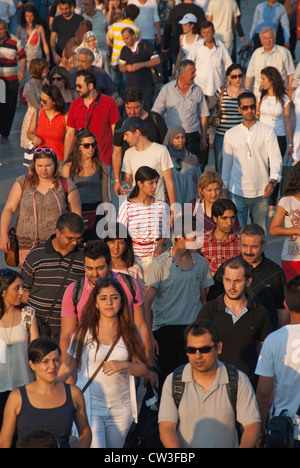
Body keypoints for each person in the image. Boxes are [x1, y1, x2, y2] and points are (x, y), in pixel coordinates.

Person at [58, 278, 148, 448]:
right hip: (92, 406)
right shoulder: (84, 330)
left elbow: (143, 368)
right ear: (96, 303)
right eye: (103, 298)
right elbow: (69, 363)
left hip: (122, 408)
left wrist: (125, 365)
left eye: (114, 297)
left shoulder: (131, 331)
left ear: (122, 302)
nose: (109, 302)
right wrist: (50, 387)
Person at [158, 320, 261, 448]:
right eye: (191, 350)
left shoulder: (238, 379)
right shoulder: (173, 381)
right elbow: (166, 428)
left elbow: (252, 425)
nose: (197, 355)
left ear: (219, 347)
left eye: (204, 349)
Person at [144, 215, 214, 392]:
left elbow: (204, 301)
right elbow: (146, 303)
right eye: (193, 237)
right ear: (179, 237)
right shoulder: (160, 264)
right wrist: (150, 337)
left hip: (192, 330)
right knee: (167, 384)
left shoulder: (202, 264)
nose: (198, 241)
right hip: (165, 330)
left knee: (191, 384)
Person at [60, 240, 151, 366]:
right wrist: (69, 380)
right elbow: (67, 336)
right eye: (89, 268)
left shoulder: (129, 284)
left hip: (127, 365)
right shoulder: (73, 291)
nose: (94, 274)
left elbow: (141, 326)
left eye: (100, 268)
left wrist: (146, 366)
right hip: (87, 367)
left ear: (110, 264)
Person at [0, 336, 92, 448]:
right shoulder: (17, 397)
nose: (52, 366)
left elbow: (85, 432)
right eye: (45, 362)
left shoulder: (73, 393)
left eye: (56, 360)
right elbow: (4, 442)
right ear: (32, 364)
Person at [197, 257, 272, 389]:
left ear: (248, 282)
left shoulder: (260, 312)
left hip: (249, 386)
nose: (231, 286)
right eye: (227, 280)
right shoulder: (208, 310)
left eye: (237, 281)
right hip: (214, 386)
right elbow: (198, 347)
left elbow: (264, 351)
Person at [0, 148, 81, 266]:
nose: (44, 169)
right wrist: (3, 234)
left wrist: (73, 240)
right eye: (40, 165)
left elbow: (76, 216)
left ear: (55, 164)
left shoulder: (66, 185)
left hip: (58, 246)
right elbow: (9, 209)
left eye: (48, 165)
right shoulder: (23, 182)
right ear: (34, 165)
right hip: (27, 247)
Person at [222, 91, 282, 233]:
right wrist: (224, 189)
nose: (250, 110)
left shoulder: (268, 131)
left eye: (252, 107)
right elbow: (227, 164)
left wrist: (272, 181)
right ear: (239, 109)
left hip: (262, 191)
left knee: (259, 235)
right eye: (245, 107)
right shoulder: (231, 134)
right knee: (238, 235)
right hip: (236, 192)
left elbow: (275, 159)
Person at [208, 224, 287, 330]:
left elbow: (282, 309)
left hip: (266, 336)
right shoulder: (227, 268)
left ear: (263, 245)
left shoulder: (275, 272)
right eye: (245, 246)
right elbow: (213, 303)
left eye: (254, 247)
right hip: (232, 336)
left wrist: (277, 336)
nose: (248, 251)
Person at [20, 213, 86, 342]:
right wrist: (25, 326)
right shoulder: (36, 254)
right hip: (35, 329)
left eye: (79, 238)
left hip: (67, 332)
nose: (74, 243)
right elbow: (24, 292)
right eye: (70, 238)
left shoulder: (84, 256)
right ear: (57, 232)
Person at [255, 275, 300, 448]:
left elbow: (264, 393)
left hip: (284, 430)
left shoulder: (274, 339)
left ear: (286, 304)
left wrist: (260, 431)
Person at [152, 60, 210, 172]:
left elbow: (203, 115)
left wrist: (203, 137)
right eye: (192, 72)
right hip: (172, 138)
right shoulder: (166, 90)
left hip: (191, 138)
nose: (195, 75)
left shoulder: (197, 90)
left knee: (192, 169)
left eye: (195, 72)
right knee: (172, 169)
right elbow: (156, 113)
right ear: (182, 74)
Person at [0, 269, 39, 431]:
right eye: (17, 288)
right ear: (3, 292)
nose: (22, 292)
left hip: (25, 385)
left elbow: (37, 351)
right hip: (1, 388)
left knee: (24, 434)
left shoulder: (28, 314)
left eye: (22, 288)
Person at [64, 69, 120, 179]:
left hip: (103, 160)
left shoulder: (108, 102)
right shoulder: (75, 104)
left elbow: (116, 134)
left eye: (80, 86)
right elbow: (70, 134)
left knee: (105, 195)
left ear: (90, 86)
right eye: (76, 86)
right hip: (80, 161)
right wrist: (66, 161)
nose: (76, 89)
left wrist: (117, 172)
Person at [113, 88, 168, 195]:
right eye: (128, 108)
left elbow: (166, 148)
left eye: (136, 107)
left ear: (142, 104)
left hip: (156, 182)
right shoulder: (121, 124)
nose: (132, 112)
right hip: (130, 178)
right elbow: (116, 153)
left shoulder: (156, 120)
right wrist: (116, 180)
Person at [118, 166, 168, 281]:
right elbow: (121, 236)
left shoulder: (162, 206)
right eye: (151, 183)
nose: (155, 187)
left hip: (156, 260)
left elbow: (165, 234)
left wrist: (160, 246)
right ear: (140, 184)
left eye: (156, 182)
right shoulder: (127, 207)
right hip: (133, 261)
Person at [116, 116, 176, 210]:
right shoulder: (128, 153)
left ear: (137, 132)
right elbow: (127, 180)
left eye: (126, 134)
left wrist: (173, 209)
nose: (124, 138)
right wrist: (124, 187)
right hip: (136, 208)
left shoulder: (161, 151)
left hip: (157, 207)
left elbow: (169, 183)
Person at [62, 128, 110, 241]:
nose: (91, 148)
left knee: (96, 248)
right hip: (76, 211)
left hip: (97, 211)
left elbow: (105, 196)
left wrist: (108, 219)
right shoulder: (68, 167)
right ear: (78, 146)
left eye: (93, 145)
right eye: (86, 145)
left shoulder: (101, 166)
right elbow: (64, 196)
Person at [257, 66, 293, 215]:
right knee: (263, 166)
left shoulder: (284, 98)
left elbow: (287, 121)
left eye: (264, 79)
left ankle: (272, 203)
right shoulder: (261, 95)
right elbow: (257, 116)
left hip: (279, 136)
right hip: (263, 135)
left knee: (275, 168)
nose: (261, 82)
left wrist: (290, 143)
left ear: (272, 80)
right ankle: (262, 199)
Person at [212, 63, 248, 174]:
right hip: (222, 136)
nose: (237, 79)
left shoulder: (248, 94)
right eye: (234, 76)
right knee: (221, 169)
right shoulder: (220, 92)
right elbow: (209, 108)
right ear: (228, 77)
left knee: (241, 169)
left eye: (240, 76)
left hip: (241, 137)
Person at [187, 21, 233, 102]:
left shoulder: (221, 47)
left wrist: (229, 80)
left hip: (217, 87)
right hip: (200, 87)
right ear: (201, 33)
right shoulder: (196, 47)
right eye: (204, 33)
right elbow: (189, 65)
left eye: (209, 32)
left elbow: (229, 65)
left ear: (214, 32)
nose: (207, 35)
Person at [270, 162, 300, 281]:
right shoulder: (287, 201)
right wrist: (295, 230)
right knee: (293, 294)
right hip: (292, 257)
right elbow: (274, 229)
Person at [245, 27, 294, 98]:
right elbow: (249, 75)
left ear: (274, 39)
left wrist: (290, 93)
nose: (267, 41)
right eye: (264, 38)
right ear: (261, 41)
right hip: (259, 96)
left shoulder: (284, 52)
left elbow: (292, 74)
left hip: (279, 96)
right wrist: (247, 94)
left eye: (270, 38)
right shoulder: (256, 53)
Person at [119, 27, 160, 112]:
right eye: (123, 39)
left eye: (127, 38)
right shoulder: (124, 49)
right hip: (130, 88)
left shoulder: (146, 45)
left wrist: (141, 65)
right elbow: (121, 67)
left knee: (147, 111)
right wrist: (127, 67)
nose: (125, 41)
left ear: (133, 36)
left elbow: (157, 60)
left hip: (146, 87)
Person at [199, 199, 241, 277]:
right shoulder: (202, 241)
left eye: (232, 218)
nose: (229, 223)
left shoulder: (241, 241)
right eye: (224, 218)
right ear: (215, 219)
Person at [27, 84, 67, 162]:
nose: (41, 103)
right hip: (40, 159)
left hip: (59, 160)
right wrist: (33, 137)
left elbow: (71, 138)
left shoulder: (65, 116)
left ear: (54, 101)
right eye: (40, 99)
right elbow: (29, 132)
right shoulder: (38, 113)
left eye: (44, 101)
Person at [0, 19, 26, 140]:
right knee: (1, 104)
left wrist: (22, 71)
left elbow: (22, 56)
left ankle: (6, 131)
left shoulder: (14, 40)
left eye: (2, 28)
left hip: (12, 80)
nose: (1, 31)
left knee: (10, 105)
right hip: (0, 81)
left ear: (6, 29)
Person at [163, 125, 201, 206]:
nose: (181, 140)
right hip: (171, 205)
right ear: (170, 139)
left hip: (189, 204)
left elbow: (200, 183)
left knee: (188, 219)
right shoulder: (164, 159)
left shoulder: (192, 159)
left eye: (183, 137)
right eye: (177, 138)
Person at [106, 4, 140, 95]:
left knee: (116, 85)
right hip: (127, 62)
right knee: (125, 86)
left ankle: (116, 105)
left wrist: (115, 45)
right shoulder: (136, 29)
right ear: (136, 16)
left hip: (115, 59)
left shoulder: (115, 25)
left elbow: (108, 41)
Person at [103, 222, 145, 290]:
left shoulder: (135, 269)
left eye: (120, 242)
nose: (116, 247)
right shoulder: (100, 268)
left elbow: (141, 297)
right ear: (106, 243)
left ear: (126, 244)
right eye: (112, 242)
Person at [161, 0, 206, 64]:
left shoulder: (175, 9)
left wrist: (164, 46)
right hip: (192, 48)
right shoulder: (198, 10)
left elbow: (168, 28)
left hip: (176, 46)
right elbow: (203, 28)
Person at [20, 58, 49, 149]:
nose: (47, 72)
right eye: (45, 71)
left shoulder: (44, 83)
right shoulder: (29, 86)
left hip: (44, 114)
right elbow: (36, 105)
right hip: (34, 117)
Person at [16, 3, 50, 68]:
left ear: (34, 16)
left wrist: (48, 58)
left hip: (37, 61)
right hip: (24, 62)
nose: (29, 18)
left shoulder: (39, 28)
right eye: (27, 16)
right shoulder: (20, 29)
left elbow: (44, 44)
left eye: (31, 16)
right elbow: (17, 46)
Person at [50, 0, 84, 65]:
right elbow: (52, 39)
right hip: (60, 56)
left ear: (71, 7)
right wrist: (54, 54)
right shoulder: (57, 20)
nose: (64, 11)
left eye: (66, 9)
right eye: (61, 9)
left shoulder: (80, 19)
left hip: (75, 56)